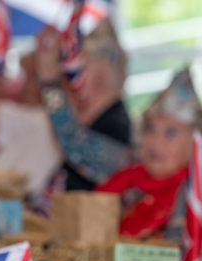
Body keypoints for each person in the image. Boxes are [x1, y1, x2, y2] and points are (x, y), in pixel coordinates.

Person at [95, 69, 202, 242]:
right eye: (150, 129)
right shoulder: (128, 171)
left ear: (196, 143)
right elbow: (73, 140)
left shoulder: (197, 192)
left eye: (170, 133)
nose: (156, 143)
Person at [35, 19, 132, 191]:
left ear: (99, 79)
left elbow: (76, 146)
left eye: (75, 70)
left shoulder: (117, 126)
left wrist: (50, 83)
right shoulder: (95, 122)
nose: (69, 79)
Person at [0, 46, 62, 204]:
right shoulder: (34, 118)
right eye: (26, 76)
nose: (26, 84)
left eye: (34, 77)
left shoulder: (44, 121)